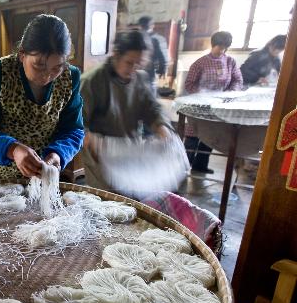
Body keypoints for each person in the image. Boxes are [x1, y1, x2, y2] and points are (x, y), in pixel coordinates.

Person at [0, 14, 84, 179]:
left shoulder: (70, 77)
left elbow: (73, 130)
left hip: (43, 176)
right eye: (39, 66)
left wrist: (57, 154)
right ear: (22, 53)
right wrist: (13, 149)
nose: (46, 76)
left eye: (56, 67)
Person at [80, 30, 172, 191]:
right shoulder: (92, 81)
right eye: (129, 63)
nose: (134, 69)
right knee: (106, 205)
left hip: (130, 151)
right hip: (101, 157)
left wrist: (161, 127)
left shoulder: (140, 78)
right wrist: (90, 139)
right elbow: (77, 123)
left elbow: (152, 108)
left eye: (140, 64)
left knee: (134, 201)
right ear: (116, 54)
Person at [183, 31, 243, 173]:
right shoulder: (200, 63)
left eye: (224, 48)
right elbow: (189, 84)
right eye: (219, 47)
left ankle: (200, 165)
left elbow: (237, 80)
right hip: (199, 106)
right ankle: (184, 166)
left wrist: (231, 92)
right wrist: (202, 94)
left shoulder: (230, 62)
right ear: (213, 45)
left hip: (218, 106)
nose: (221, 50)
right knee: (193, 135)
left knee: (209, 137)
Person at [138, 15, 169, 93]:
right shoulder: (158, 38)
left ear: (140, 25)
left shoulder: (136, 36)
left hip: (137, 68)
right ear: (152, 25)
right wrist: (162, 69)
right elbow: (163, 57)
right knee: (150, 88)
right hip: (150, 69)